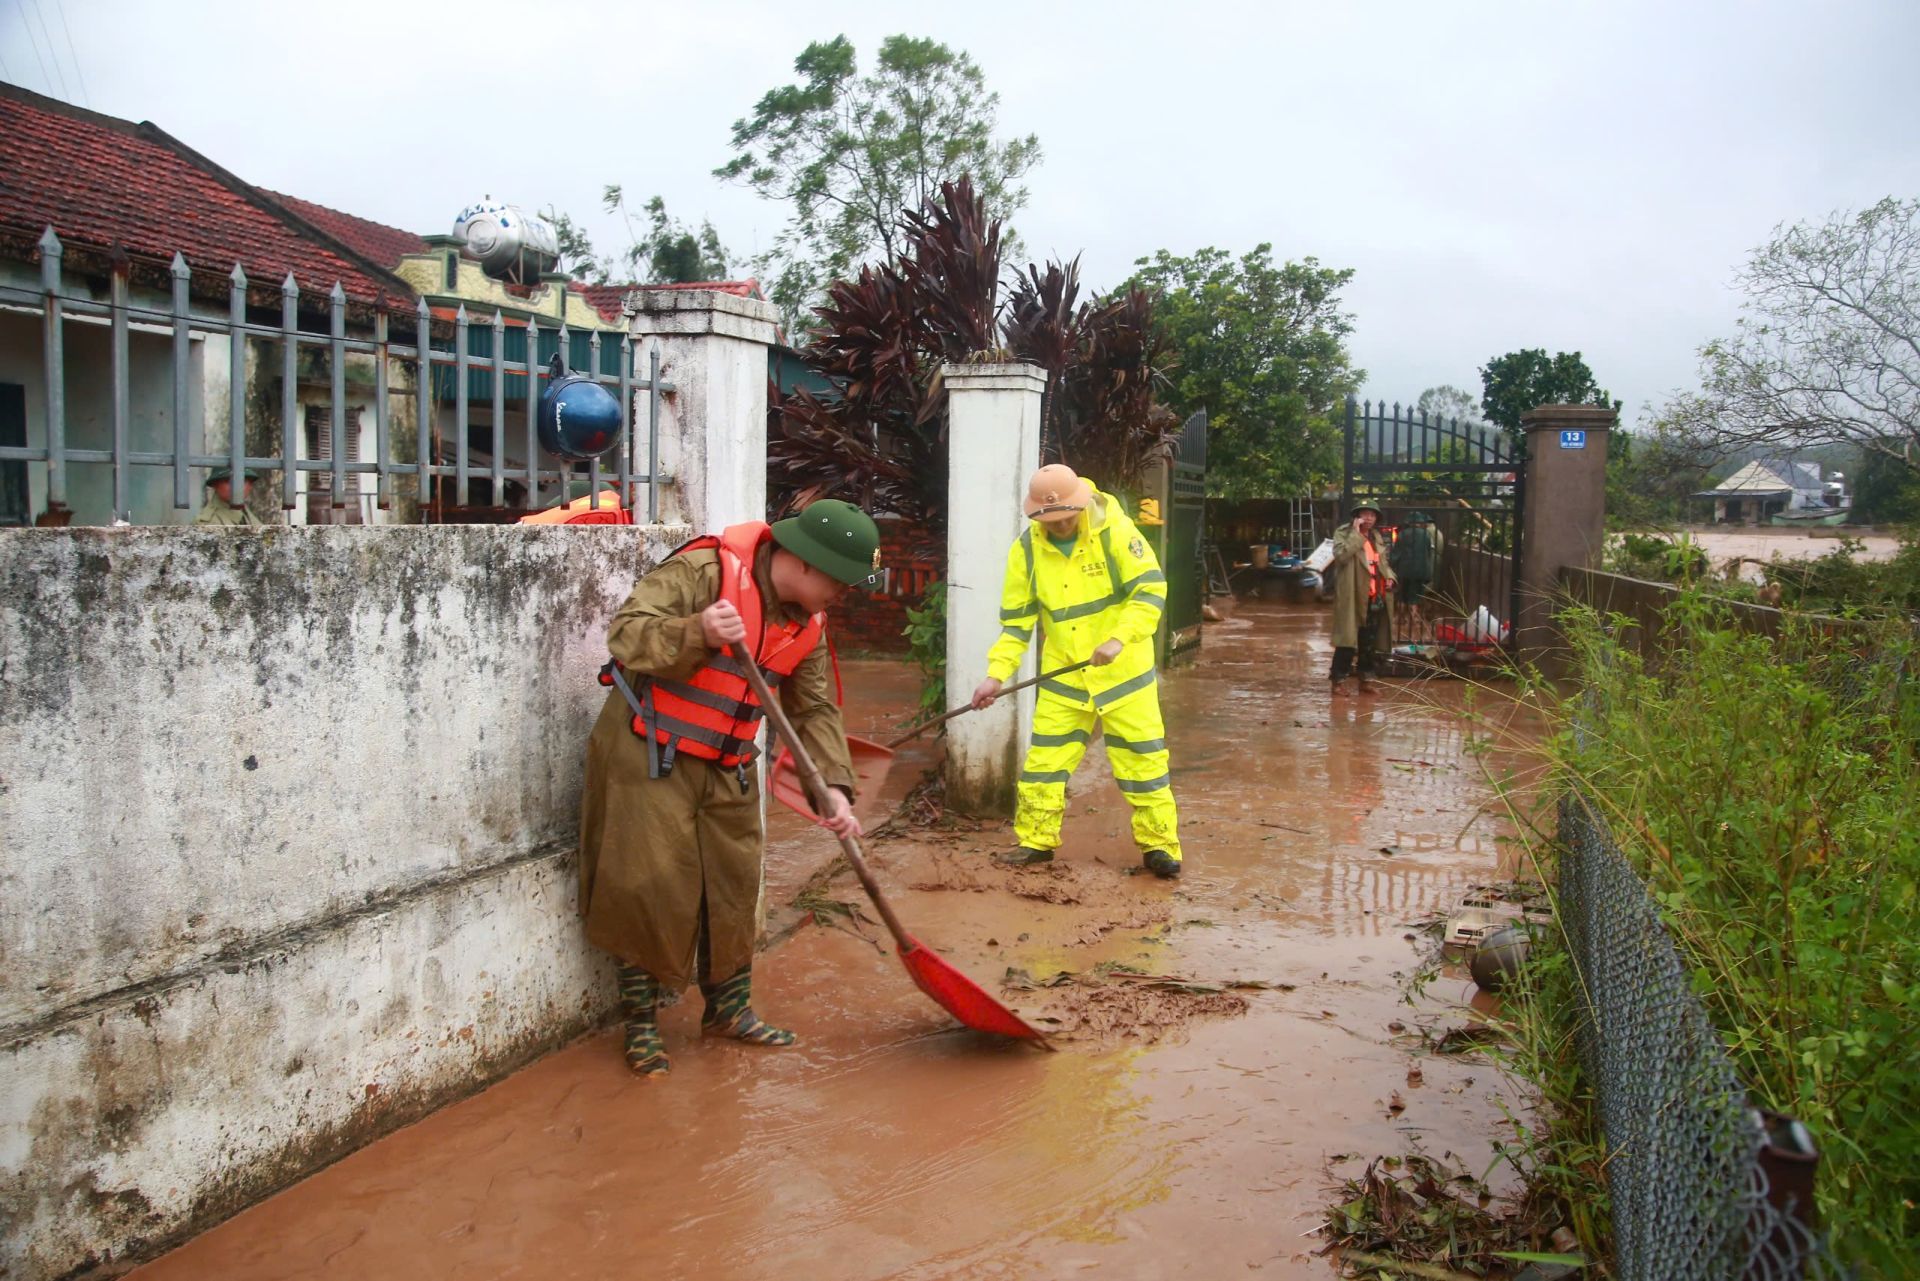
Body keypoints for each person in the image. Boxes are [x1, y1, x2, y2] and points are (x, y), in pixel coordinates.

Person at [577, 498, 879, 1076]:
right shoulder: (702, 573)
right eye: (841, 583)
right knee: (647, 882)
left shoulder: (808, 625)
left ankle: (728, 1011)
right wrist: (699, 629)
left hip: (728, 761)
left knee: (735, 880)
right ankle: (641, 1027)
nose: (843, 596)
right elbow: (627, 635)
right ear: (807, 564)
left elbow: (814, 710)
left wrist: (834, 789)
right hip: (649, 749)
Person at [970, 464, 1183, 879]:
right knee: (1044, 763)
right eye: (1050, 519)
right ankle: (1035, 842)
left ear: (1080, 505)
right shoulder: (1026, 551)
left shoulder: (1116, 533)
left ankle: (1160, 847)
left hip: (1123, 674)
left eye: (1066, 516)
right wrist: (996, 676)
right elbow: (1017, 623)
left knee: (1143, 763)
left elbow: (1150, 590)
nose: (1060, 525)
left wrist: (1119, 638)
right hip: (1065, 675)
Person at [1330, 500, 1396, 696]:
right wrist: (1357, 535)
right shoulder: (1344, 533)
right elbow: (1341, 556)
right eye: (1365, 514)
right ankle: (1338, 681)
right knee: (1347, 641)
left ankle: (1366, 680)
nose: (1369, 518)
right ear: (1356, 517)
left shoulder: (1376, 537)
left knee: (1369, 642)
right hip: (1353, 596)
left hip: (1374, 597)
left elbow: (1382, 563)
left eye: (1372, 515)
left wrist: (1390, 577)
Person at [1390, 510, 1444, 640]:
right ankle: (1413, 619)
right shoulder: (1426, 535)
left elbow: (1396, 554)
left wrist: (1391, 565)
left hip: (1405, 570)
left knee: (1403, 594)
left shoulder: (1402, 534)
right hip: (1421, 571)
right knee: (1415, 595)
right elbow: (1427, 553)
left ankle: (1404, 619)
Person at [194, 467, 262, 525]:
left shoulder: (245, 513)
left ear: (250, 486)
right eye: (228, 481)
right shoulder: (207, 524)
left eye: (242, 481)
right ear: (215, 485)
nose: (236, 486)